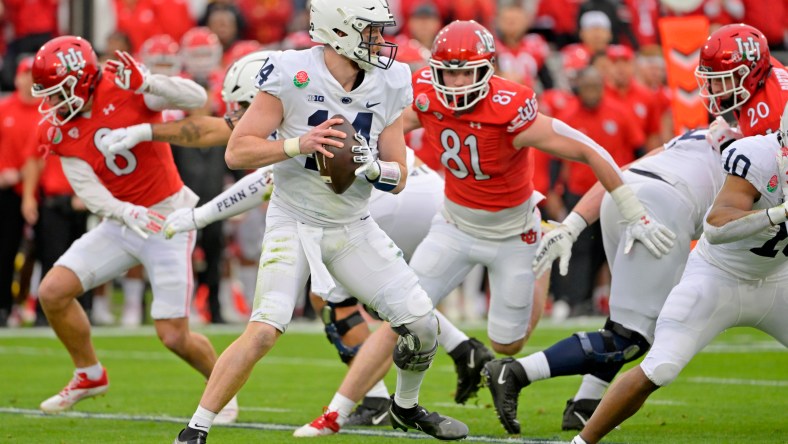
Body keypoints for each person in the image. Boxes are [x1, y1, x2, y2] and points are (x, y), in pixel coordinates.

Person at [296, 19, 677, 438]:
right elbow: (390, 126)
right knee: (399, 318)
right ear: (435, 70)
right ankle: (335, 412)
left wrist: (631, 208)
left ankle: (540, 257)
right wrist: (349, 150)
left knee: (507, 345)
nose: (456, 82)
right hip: (452, 225)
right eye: (449, 72)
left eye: (466, 71)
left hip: (514, 234)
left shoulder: (512, 107)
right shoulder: (424, 93)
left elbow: (588, 149)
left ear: (488, 69)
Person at [172, 1, 469, 442]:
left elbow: (400, 175)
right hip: (294, 219)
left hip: (353, 224)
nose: (379, 40)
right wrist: (298, 144)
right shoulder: (292, 72)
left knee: (422, 325)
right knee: (264, 331)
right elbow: (238, 151)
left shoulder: (390, 80)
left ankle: (405, 407)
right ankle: (195, 429)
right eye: (369, 31)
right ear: (339, 31)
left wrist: (375, 170)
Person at [28, 35, 237, 422]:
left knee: (174, 335)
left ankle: (221, 390)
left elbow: (195, 99)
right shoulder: (60, 131)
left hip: (168, 219)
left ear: (79, 79)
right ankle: (89, 375)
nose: (52, 104)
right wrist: (125, 212)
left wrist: (148, 83)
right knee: (53, 292)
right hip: (123, 220)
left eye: (57, 93)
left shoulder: (122, 83)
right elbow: (88, 188)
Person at [483, 124, 734, 434]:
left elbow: (619, 172)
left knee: (628, 323)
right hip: (662, 207)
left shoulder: (698, 138)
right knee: (633, 337)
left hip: (623, 195)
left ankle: (585, 404)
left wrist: (573, 224)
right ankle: (517, 372)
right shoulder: (757, 146)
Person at [570, 102, 788, 444]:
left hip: (778, 279)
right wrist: (779, 214)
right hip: (719, 276)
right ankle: (581, 443)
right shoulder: (757, 156)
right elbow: (715, 226)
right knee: (660, 368)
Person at [694, 23, 788, 137]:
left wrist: (729, 143)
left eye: (724, 79)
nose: (715, 89)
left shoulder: (766, 121)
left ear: (751, 73)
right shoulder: (762, 64)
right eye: (711, 78)